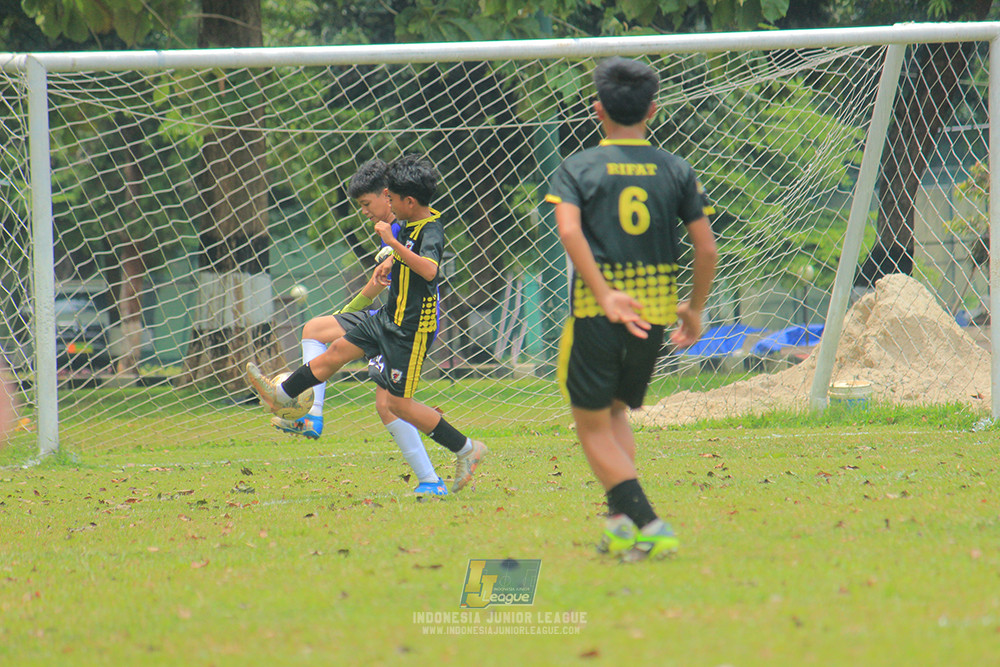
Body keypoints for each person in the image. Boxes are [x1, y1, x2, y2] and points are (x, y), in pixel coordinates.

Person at [545, 56, 718, 561]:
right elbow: (706, 248)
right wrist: (694, 308)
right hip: (657, 314)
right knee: (617, 412)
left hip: (598, 316)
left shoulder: (577, 168)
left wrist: (603, 294)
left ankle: (650, 524)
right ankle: (621, 525)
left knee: (592, 425)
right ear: (653, 110)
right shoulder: (676, 169)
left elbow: (569, 230)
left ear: (597, 109)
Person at [248, 154, 487, 493]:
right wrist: (386, 265)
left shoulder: (425, 228)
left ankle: (465, 450)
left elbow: (431, 270)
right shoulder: (399, 225)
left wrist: (392, 247)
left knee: (394, 405)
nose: (375, 207)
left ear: (403, 199)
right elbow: (393, 270)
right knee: (336, 351)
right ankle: (285, 396)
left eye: (378, 200)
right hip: (387, 318)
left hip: (410, 330)